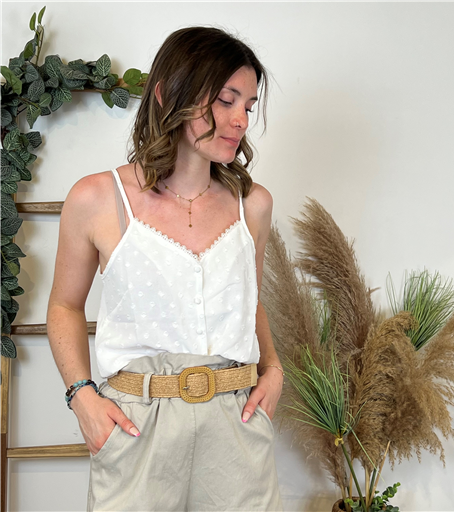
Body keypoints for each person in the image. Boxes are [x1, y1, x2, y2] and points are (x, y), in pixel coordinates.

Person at [47, 26, 284, 511]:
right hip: (136, 423)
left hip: (236, 424)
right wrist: (81, 396)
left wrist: (274, 368)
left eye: (248, 105)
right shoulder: (97, 198)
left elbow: (250, 300)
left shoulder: (254, 205)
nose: (240, 119)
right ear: (166, 93)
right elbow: (64, 306)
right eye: (225, 100)